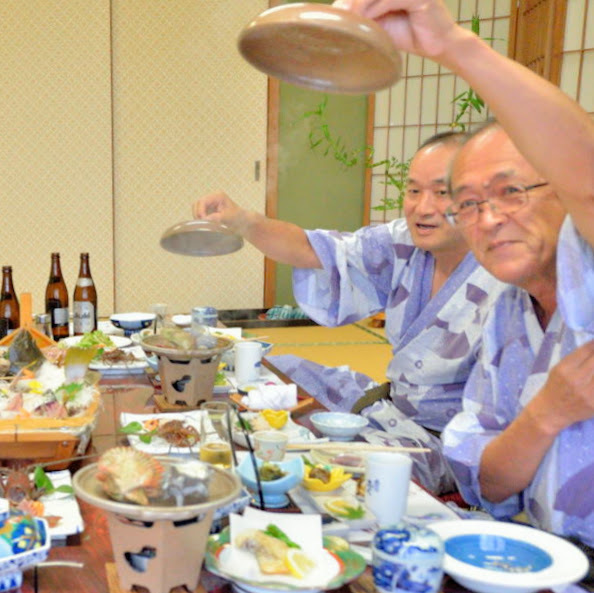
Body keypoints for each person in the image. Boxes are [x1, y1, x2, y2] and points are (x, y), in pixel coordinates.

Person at [331, 0, 594, 552]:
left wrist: (452, 45)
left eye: (511, 191)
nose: (488, 219)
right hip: (530, 558)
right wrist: (547, 412)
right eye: (468, 203)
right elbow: (488, 481)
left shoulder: (585, 273)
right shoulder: (505, 314)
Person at [193, 132, 505, 494]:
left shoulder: (505, 278)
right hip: (392, 406)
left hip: (442, 444)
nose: (423, 207)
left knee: (336, 471)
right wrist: (243, 220)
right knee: (281, 372)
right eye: (414, 190)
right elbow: (317, 250)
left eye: (441, 192)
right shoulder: (404, 242)